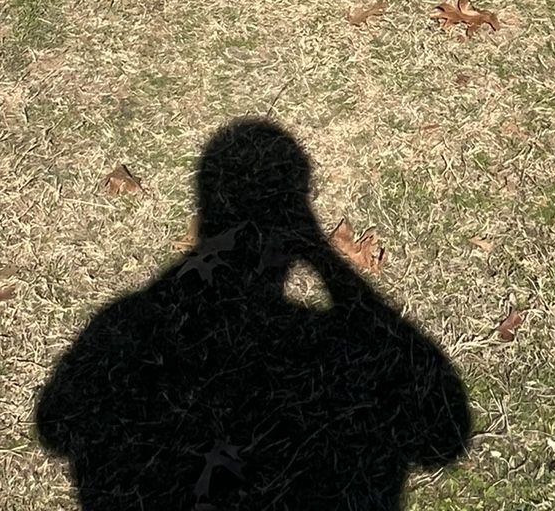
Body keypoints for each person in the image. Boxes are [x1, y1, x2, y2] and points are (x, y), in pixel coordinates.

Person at [35, 120, 470, 508]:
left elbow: (55, 425)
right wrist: (327, 262)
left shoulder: (124, 324)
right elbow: (443, 436)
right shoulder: (330, 344)